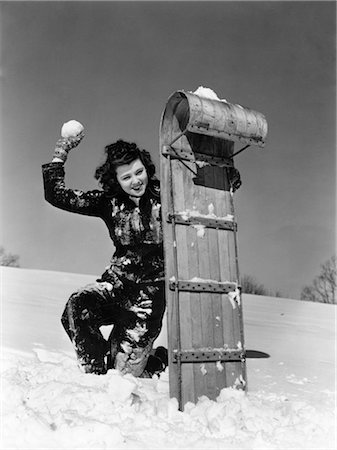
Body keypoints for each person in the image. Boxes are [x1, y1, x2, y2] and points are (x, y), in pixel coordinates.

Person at [42, 131, 167, 377]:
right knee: (79, 305)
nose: (135, 181)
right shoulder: (108, 203)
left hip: (147, 301)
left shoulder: (167, 196)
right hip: (117, 288)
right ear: (117, 180)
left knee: (122, 374)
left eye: (139, 172)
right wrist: (61, 153)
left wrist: (224, 179)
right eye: (127, 177)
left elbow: (200, 197)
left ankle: (156, 361)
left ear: (147, 169)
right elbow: (57, 195)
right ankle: (94, 375)